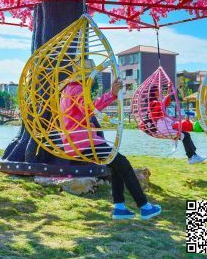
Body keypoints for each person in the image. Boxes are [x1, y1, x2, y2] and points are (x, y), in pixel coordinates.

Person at [60, 78, 162, 221]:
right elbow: (89, 109)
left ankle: (119, 208)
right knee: (123, 163)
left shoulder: (66, 90)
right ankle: (144, 206)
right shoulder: (77, 88)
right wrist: (112, 94)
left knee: (116, 165)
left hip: (77, 142)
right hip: (84, 142)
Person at [144, 89, 206, 165]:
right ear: (154, 92)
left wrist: (169, 91)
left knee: (186, 134)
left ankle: (193, 156)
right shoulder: (154, 103)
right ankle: (191, 157)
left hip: (163, 129)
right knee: (185, 136)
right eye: (157, 90)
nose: (160, 91)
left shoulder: (154, 103)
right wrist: (169, 92)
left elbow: (165, 103)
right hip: (163, 130)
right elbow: (163, 105)